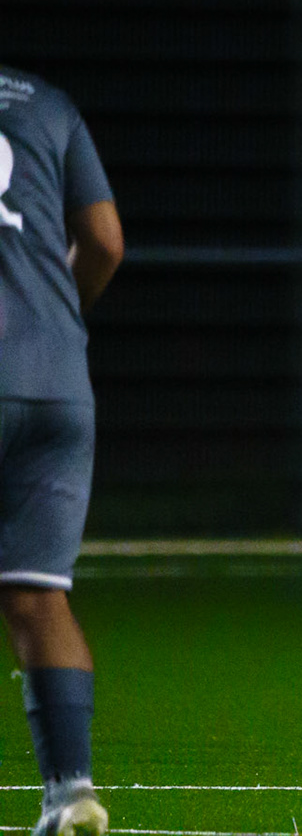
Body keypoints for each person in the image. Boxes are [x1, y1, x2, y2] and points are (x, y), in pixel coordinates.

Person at [0, 64, 122, 836]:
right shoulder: (46, 103)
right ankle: (70, 790)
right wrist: (54, 323)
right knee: (39, 594)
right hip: (57, 382)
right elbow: (105, 241)